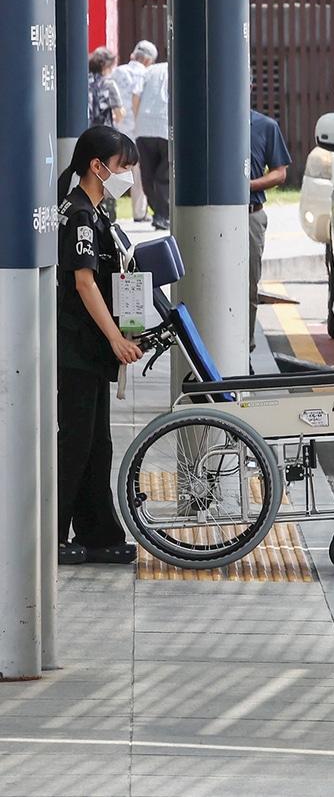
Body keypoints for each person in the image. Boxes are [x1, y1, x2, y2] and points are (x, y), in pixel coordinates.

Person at [56, 126, 144, 565]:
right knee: (76, 441)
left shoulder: (98, 211)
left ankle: (96, 533)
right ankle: (54, 534)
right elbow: (84, 282)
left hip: (90, 348)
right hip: (77, 347)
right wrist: (114, 337)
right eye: (123, 166)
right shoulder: (78, 216)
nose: (127, 174)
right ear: (98, 166)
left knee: (96, 442)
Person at [249, 109, 291, 346]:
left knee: (249, 285)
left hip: (251, 214)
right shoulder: (211, 121)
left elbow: (279, 173)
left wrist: (247, 185)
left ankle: (246, 347)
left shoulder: (265, 126)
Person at [113, 40, 157, 222]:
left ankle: (108, 208)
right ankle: (139, 212)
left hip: (116, 129)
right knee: (138, 173)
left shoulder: (118, 71)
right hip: (138, 130)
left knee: (113, 169)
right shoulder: (147, 74)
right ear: (148, 61)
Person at [133, 60, 172, 230]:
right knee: (164, 175)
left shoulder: (148, 71)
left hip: (144, 128)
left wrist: (137, 119)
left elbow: (136, 96)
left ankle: (159, 212)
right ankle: (163, 215)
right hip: (166, 127)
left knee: (147, 174)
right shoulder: (177, 70)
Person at [87, 47, 123, 129]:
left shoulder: (85, 81)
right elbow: (119, 113)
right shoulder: (109, 84)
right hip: (103, 129)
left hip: (86, 129)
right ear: (105, 67)